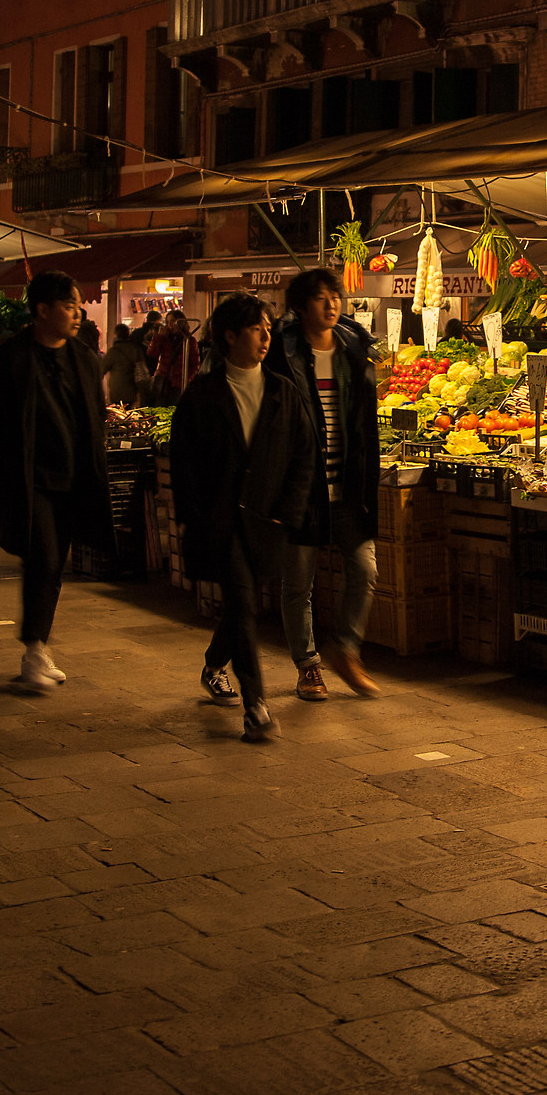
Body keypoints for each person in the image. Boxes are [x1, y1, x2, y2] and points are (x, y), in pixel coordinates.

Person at [171, 293, 317, 743]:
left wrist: (287, 513)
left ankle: (215, 664)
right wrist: (196, 516)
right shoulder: (202, 395)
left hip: (266, 522)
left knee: (243, 602)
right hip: (220, 520)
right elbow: (184, 463)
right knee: (244, 601)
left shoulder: (281, 392)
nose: (266, 336)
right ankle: (256, 705)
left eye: (268, 328)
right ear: (230, 335)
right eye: (257, 328)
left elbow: (303, 457)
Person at [0, 272, 113, 692]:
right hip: (31, 481)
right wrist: (8, 464)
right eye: (68, 304)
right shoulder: (10, 359)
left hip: (74, 478)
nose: (76, 312)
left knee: (53, 564)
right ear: (42, 310)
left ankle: (37, 648)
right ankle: (34, 650)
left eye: (77, 304)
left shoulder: (85, 359)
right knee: (44, 558)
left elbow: (94, 414)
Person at [266, 268, 384, 701]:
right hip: (303, 489)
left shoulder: (354, 351)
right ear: (300, 306)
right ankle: (308, 665)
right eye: (319, 297)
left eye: (334, 295)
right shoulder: (282, 353)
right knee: (299, 584)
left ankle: (346, 650)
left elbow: (364, 426)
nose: (331, 304)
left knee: (365, 568)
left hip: (347, 486)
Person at [148, 308, 200, 400]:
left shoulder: (189, 341)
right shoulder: (164, 338)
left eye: (173, 321)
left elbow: (194, 363)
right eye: (168, 322)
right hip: (163, 380)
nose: (170, 325)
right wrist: (158, 337)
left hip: (179, 381)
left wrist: (187, 379)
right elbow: (152, 353)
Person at [101, 322, 153, 406]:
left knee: (119, 414)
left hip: (116, 390)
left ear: (116, 334)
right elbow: (141, 368)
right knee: (129, 413)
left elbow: (102, 369)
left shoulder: (114, 351)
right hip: (132, 390)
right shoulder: (135, 349)